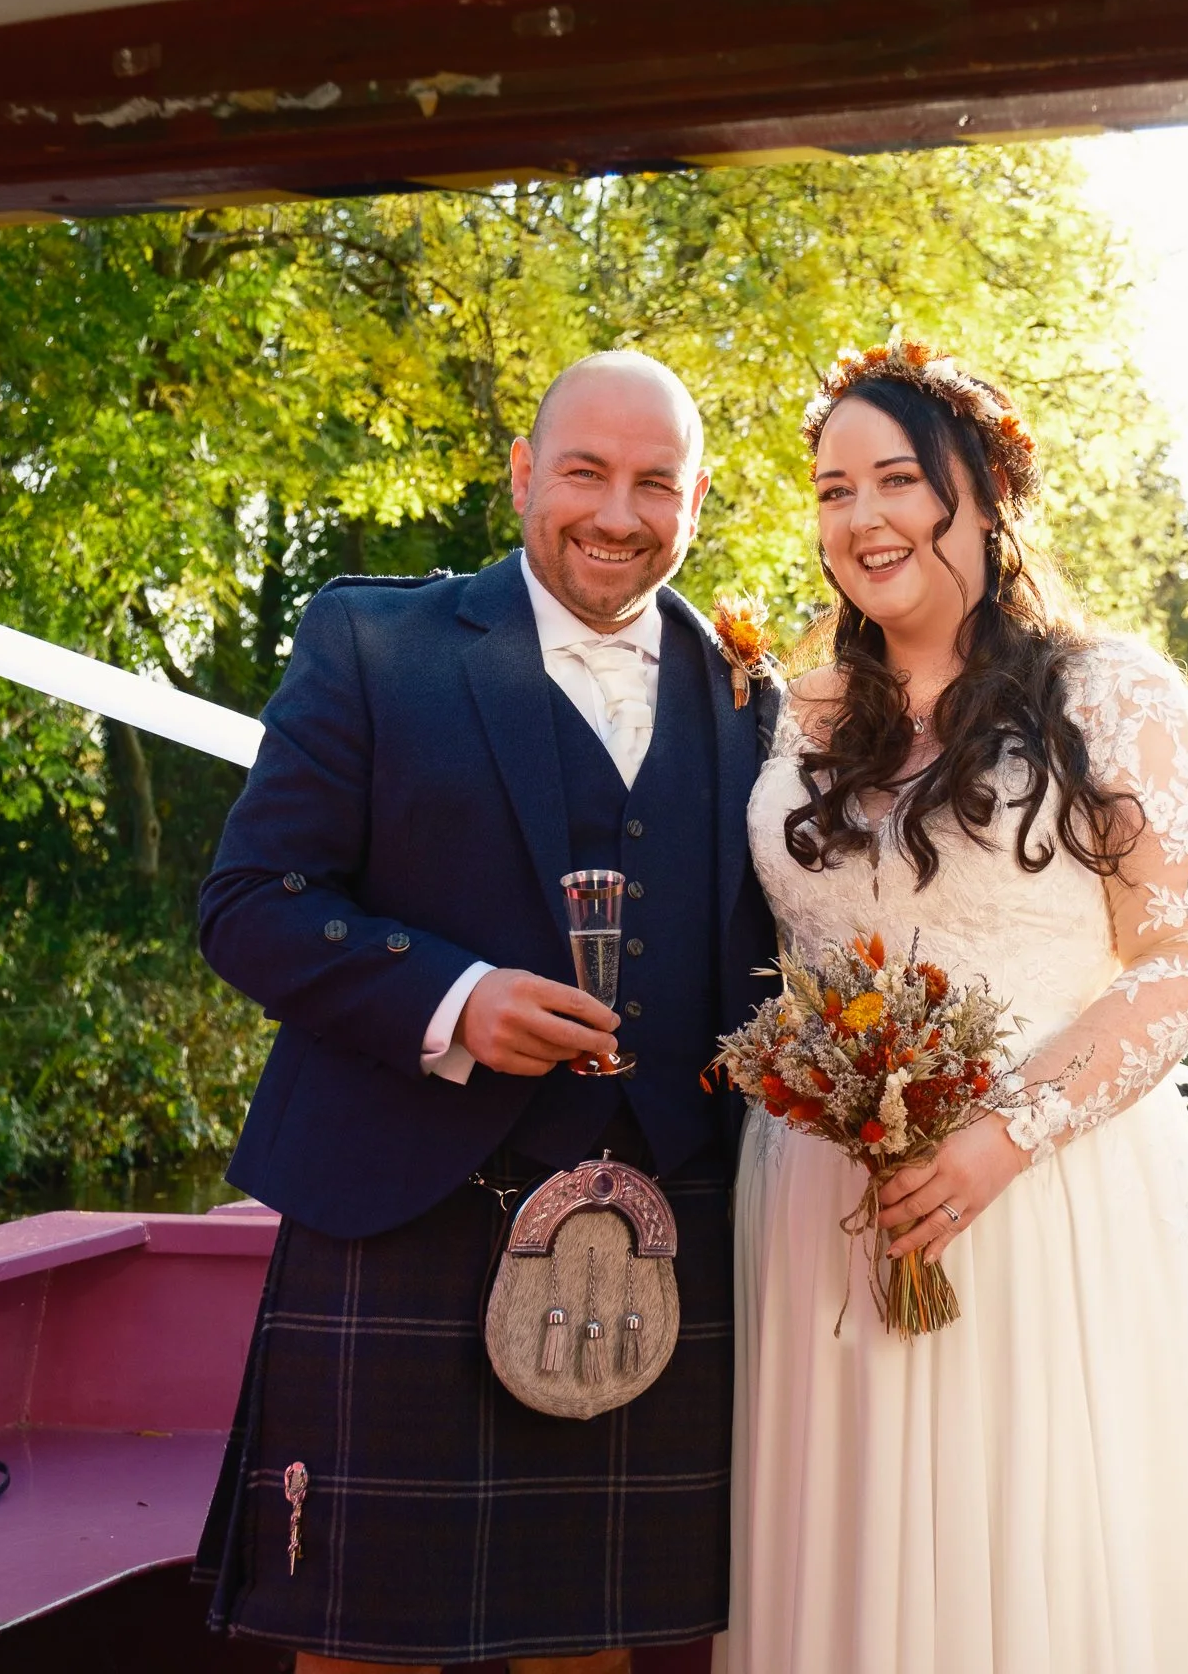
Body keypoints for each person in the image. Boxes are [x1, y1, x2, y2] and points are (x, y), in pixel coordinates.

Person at [193, 350, 779, 1674]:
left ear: (696, 500)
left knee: (595, 1643)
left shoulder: (754, 700)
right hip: (395, 1208)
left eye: (656, 485)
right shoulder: (373, 640)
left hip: (654, 1232)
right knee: (366, 1645)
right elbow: (250, 903)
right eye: (584, 473)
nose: (618, 515)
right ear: (523, 474)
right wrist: (452, 1000)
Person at [731, 343, 1188, 1673]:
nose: (859, 518)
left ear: (986, 498)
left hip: (1047, 1202)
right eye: (830, 489)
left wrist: (1003, 1135)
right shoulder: (787, 715)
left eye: (896, 481)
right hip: (822, 1211)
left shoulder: (1113, 693)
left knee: (1045, 1568)